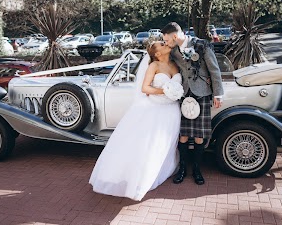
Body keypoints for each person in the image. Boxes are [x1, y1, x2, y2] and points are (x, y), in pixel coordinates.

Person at [89, 36, 182, 201]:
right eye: (161, 44)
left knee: (166, 144)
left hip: (172, 111)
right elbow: (145, 88)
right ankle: (140, 178)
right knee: (152, 144)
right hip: (157, 109)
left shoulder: (174, 64)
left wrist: (173, 92)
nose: (165, 43)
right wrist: (165, 91)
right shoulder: (154, 65)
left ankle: (162, 169)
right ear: (157, 53)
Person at [161, 22, 224, 185]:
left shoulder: (202, 45)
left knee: (198, 135)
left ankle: (197, 169)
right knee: (183, 134)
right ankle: (182, 169)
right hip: (183, 93)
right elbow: (160, 57)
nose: (166, 43)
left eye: (167, 40)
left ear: (174, 36)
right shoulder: (173, 50)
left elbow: (214, 70)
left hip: (201, 92)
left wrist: (218, 93)